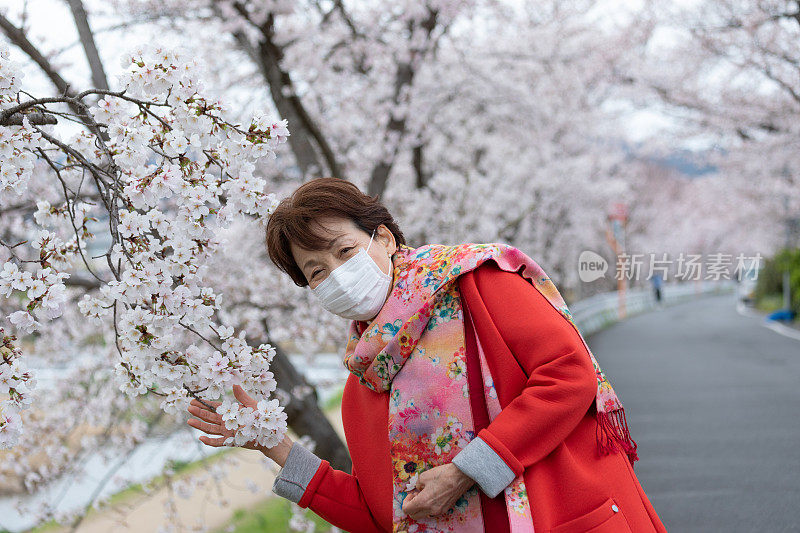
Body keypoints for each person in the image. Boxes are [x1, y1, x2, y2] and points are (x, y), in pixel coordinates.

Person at [186, 177, 668, 532]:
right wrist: (272, 443)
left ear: (386, 239)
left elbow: (568, 376)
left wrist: (464, 472)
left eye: (344, 252)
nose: (334, 275)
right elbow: (381, 515)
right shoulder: (365, 384)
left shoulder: (479, 284)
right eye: (315, 272)